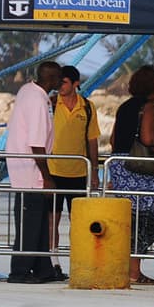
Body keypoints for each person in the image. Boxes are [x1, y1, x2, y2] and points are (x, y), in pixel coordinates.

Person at [110, 65, 154, 284]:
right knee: (146, 217)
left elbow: (113, 139)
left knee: (129, 217)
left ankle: (128, 268)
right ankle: (134, 270)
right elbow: (149, 139)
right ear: (151, 87)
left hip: (121, 165)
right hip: (140, 170)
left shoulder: (125, 107)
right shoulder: (148, 106)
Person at [5, 61, 61, 284]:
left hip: (26, 166)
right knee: (29, 222)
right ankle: (19, 271)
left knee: (39, 221)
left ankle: (42, 268)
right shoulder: (38, 100)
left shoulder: (28, 91)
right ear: (52, 79)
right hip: (30, 169)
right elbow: (37, 144)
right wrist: (47, 177)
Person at [47, 65, 100, 279]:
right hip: (53, 171)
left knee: (78, 222)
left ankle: (79, 262)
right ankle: (54, 262)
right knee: (53, 219)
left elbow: (92, 140)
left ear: (76, 83)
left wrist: (94, 171)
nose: (59, 85)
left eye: (64, 82)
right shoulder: (50, 103)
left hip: (79, 172)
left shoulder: (87, 107)